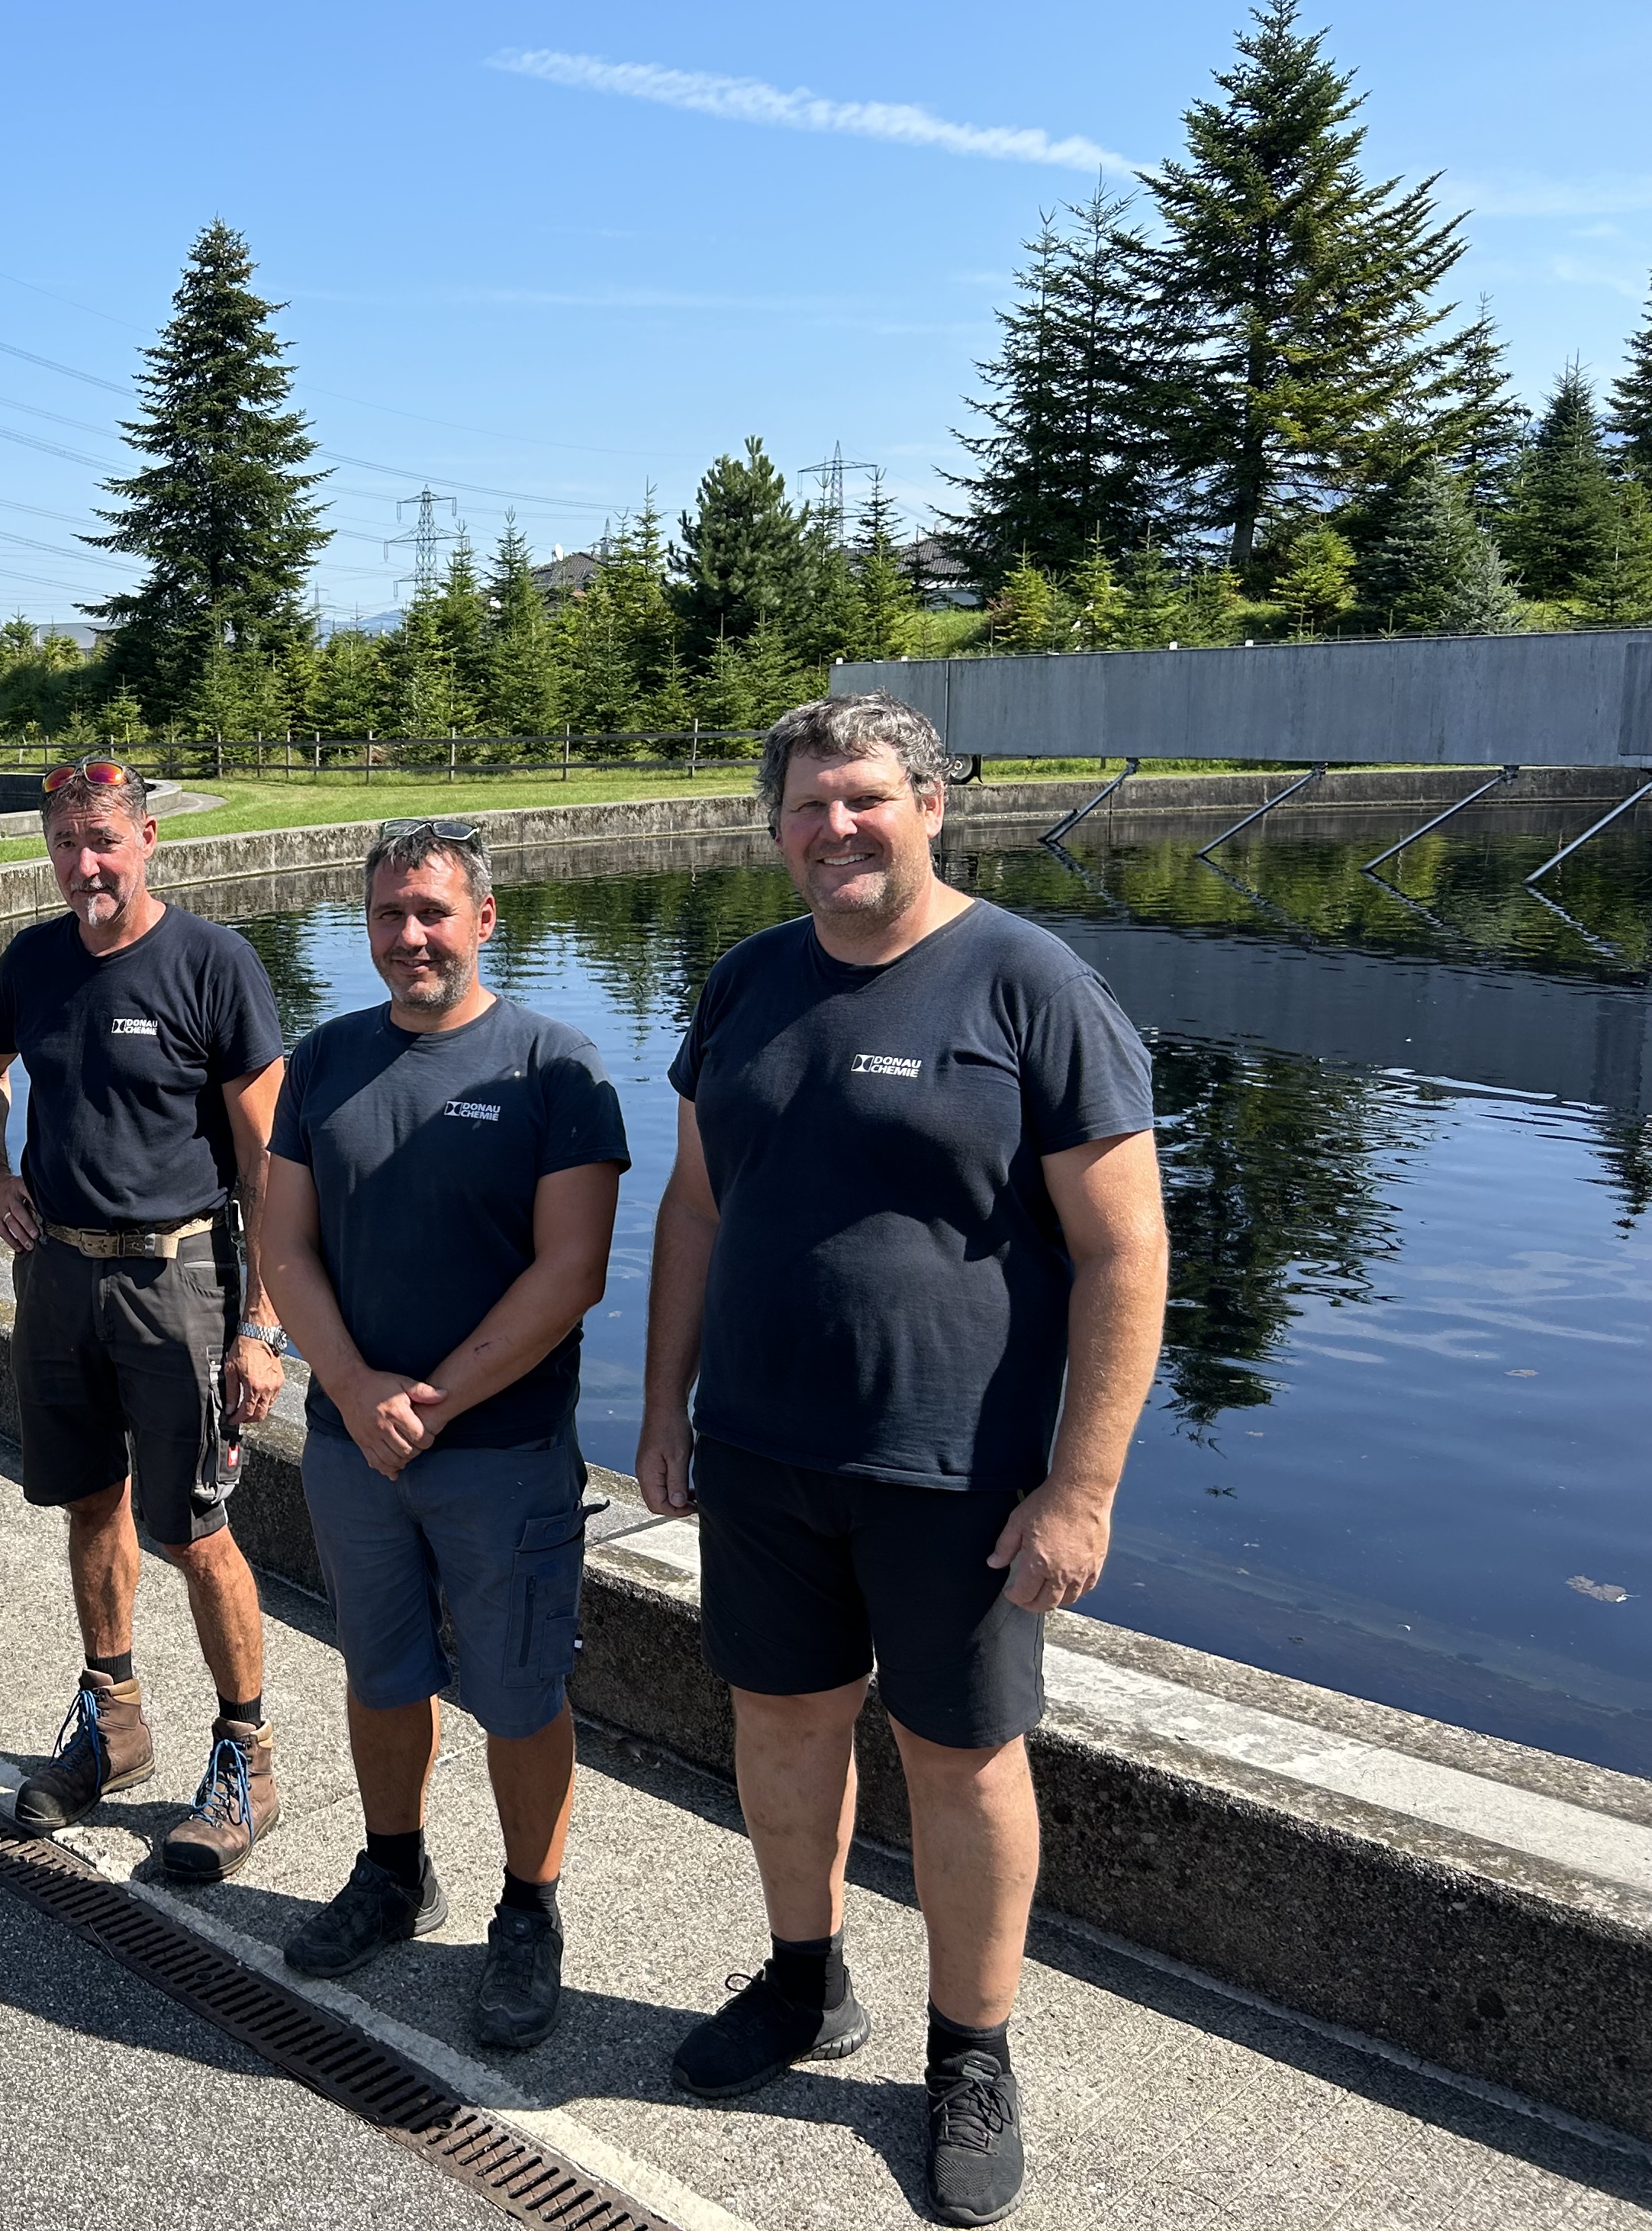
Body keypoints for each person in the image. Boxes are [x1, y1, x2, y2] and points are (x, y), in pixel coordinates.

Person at [637, 695, 1166, 2228]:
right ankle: (806, 1984)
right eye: (808, 805)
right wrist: (665, 1406)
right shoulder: (746, 983)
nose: (837, 828)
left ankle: (970, 2053)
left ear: (931, 803)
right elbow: (693, 1210)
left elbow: (1127, 1249)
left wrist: (1084, 1486)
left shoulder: (1030, 986)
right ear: (778, 825)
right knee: (782, 1727)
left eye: (866, 797)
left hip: (962, 1478)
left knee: (962, 1758)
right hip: (760, 1454)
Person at [260, 818, 627, 2052]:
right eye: (387, 916)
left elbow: (572, 1271)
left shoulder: (553, 1068)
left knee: (520, 1694)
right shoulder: (324, 1063)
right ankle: (394, 1869)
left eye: (431, 912)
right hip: (352, 1445)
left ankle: (529, 1910)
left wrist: (434, 1402)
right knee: (381, 1673)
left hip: (502, 1452)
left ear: (484, 919)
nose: (409, 936)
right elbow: (284, 1247)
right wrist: (356, 1388)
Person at [0, 758, 291, 1881]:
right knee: (89, 1503)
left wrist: (262, 1325)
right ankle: (116, 1724)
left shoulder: (212, 963)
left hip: (177, 1282)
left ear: (148, 840)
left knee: (194, 1527)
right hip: (58, 1274)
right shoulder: (34, 960)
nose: (84, 865)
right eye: (64, 844)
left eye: (103, 841)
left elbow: (270, 1165)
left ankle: (245, 1753)